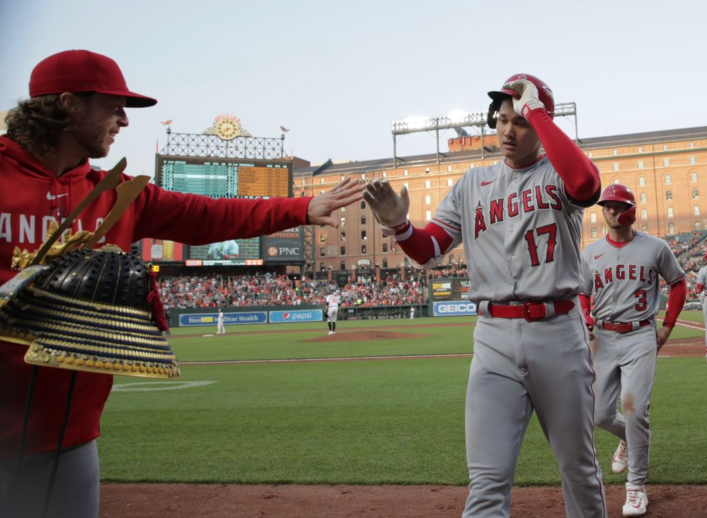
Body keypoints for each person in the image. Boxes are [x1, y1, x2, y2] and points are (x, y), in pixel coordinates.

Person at [0, 49, 364, 518]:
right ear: (69, 104)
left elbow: (205, 214)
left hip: (70, 435)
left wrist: (300, 209)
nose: (123, 120)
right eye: (113, 106)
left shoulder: (116, 192)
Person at [363, 73, 606, 518]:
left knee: (579, 471)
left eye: (521, 121)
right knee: (487, 482)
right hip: (493, 338)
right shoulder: (471, 184)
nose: (508, 130)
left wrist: (538, 111)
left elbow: (588, 186)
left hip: (557, 334)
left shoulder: (559, 172)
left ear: (541, 124)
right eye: (502, 120)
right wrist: (400, 227)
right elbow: (428, 250)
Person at [578, 184, 687, 517]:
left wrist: (667, 325)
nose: (611, 211)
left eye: (617, 205)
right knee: (597, 415)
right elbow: (583, 292)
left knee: (636, 409)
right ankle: (629, 438)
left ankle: (636, 487)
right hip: (605, 339)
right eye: (607, 206)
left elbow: (678, 283)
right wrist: (584, 315)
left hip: (641, 336)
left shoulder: (655, 247)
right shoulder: (591, 252)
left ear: (631, 209)